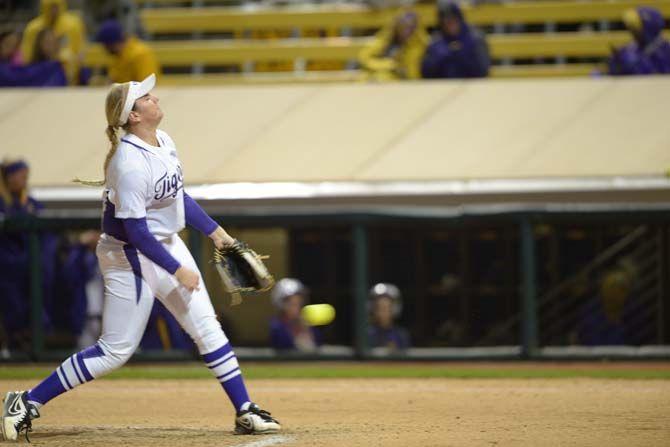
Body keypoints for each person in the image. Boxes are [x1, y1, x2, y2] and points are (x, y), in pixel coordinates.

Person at [0, 73, 280, 441]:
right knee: (115, 350)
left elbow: (177, 197)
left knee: (207, 327)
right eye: (145, 97)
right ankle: (26, 401)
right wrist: (177, 269)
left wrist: (219, 234)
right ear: (133, 116)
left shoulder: (163, 140)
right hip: (127, 255)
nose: (154, 98)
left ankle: (245, 409)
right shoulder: (129, 164)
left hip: (162, 242)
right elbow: (135, 233)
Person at [20, 0, 85, 85]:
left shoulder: (73, 25)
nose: (54, 10)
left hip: (68, 75)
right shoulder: (33, 28)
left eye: (56, 6)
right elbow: (27, 54)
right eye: (50, 7)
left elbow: (80, 51)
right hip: (39, 73)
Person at [421, 1, 489, 79]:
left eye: (453, 20)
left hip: (472, 87)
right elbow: (425, 73)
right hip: (441, 88)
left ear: (460, 19)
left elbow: (483, 70)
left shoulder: (475, 39)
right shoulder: (436, 42)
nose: (450, 25)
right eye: (446, 22)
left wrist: (461, 54)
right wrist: (444, 55)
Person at [358, 11, 429, 81]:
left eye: (410, 28)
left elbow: (412, 71)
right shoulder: (385, 38)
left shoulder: (418, 44)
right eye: (403, 27)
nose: (406, 31)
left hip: (401, 79)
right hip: (378, 75)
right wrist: (387, 64)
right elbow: (364, 58)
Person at [608, 7, 670, 75]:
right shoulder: (630, 49)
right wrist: (617, 61)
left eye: (636, 28)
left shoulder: (664, 51)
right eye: (632, 28)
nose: (633, 32)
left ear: (649, 29)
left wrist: (634, 64)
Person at [96, 19, 160, 84]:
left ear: (114, 43)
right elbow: (113, 81)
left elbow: (147, 86)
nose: (105, 49)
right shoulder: (116, 55)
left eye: (106, 45)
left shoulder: (141, 54)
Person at [269, 278, 320, 352]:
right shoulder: (277, 327)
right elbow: (284, 347)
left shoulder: (308, 323)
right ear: (281, 305)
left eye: (299, 303)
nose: (297, 308)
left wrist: (306, 329)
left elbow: (318, 345)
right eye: (292, 304)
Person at [368, 283, 410, 350]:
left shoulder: (401, 335)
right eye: (379, 308)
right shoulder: (367, 335)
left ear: (394, 309)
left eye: (386, 308)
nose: (382, 313)